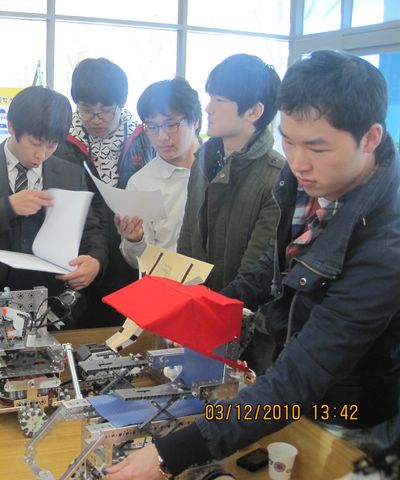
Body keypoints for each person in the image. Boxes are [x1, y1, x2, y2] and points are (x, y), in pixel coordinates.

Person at [105, 50, 400, 479]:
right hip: (283, 391)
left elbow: (309, 367)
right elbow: (272, 265)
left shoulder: (387, 243)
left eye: (317, 147)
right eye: (288, 140)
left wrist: (171, 453)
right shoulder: (306, 183)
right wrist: (206, 305)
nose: (298, 161)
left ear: (370, 138)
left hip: (347, 413)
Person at [0, 86, 108, 335]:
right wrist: (7, 207)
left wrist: (95, 261)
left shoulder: (70, 173)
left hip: (49, 303)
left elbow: (92, 230)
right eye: (35, 143)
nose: (41, 154)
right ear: (12, 127)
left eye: (52, 145)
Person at [54, 57, 154, 326]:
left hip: (129, 257)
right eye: (86, 110)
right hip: (81, 257)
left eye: (106, 111)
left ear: (121, 104)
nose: (96, 119)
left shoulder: (143, 139)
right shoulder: (62, 143)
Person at [176, 53, 285, 293]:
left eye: (220, 100)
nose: (208, 108)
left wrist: (215, 306)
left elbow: (255, 271)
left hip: (238, 309)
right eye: (210, 97)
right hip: (193, 302)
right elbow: (187, 239)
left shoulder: (277, 176)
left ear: (254, 111)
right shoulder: (202, 160)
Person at [115, 77, 201, 267]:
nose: (162, 136)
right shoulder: (141, 183)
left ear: (195, 121)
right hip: (169, 280)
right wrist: (135, 240)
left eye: (171, 125)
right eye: (152, 127)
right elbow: (138, 262)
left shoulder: (221, 168)